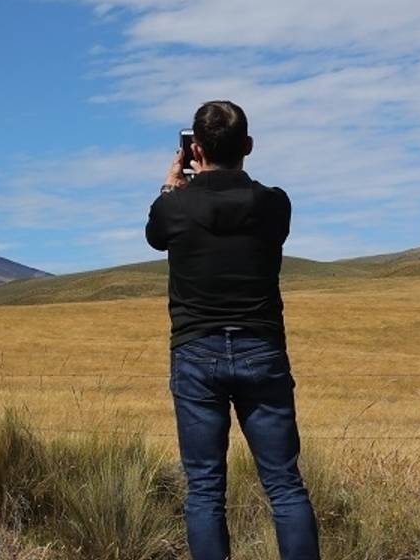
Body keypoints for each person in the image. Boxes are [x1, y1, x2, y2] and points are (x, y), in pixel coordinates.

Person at [146, 101, 319, 560]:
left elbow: (156, 233)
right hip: (261, 348)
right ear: (248, 146)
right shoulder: (274, 204)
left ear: (194, 148)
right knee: (284, 484)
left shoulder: (174, 207)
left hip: (196, 352)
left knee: (204, 490)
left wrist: (172, 183)